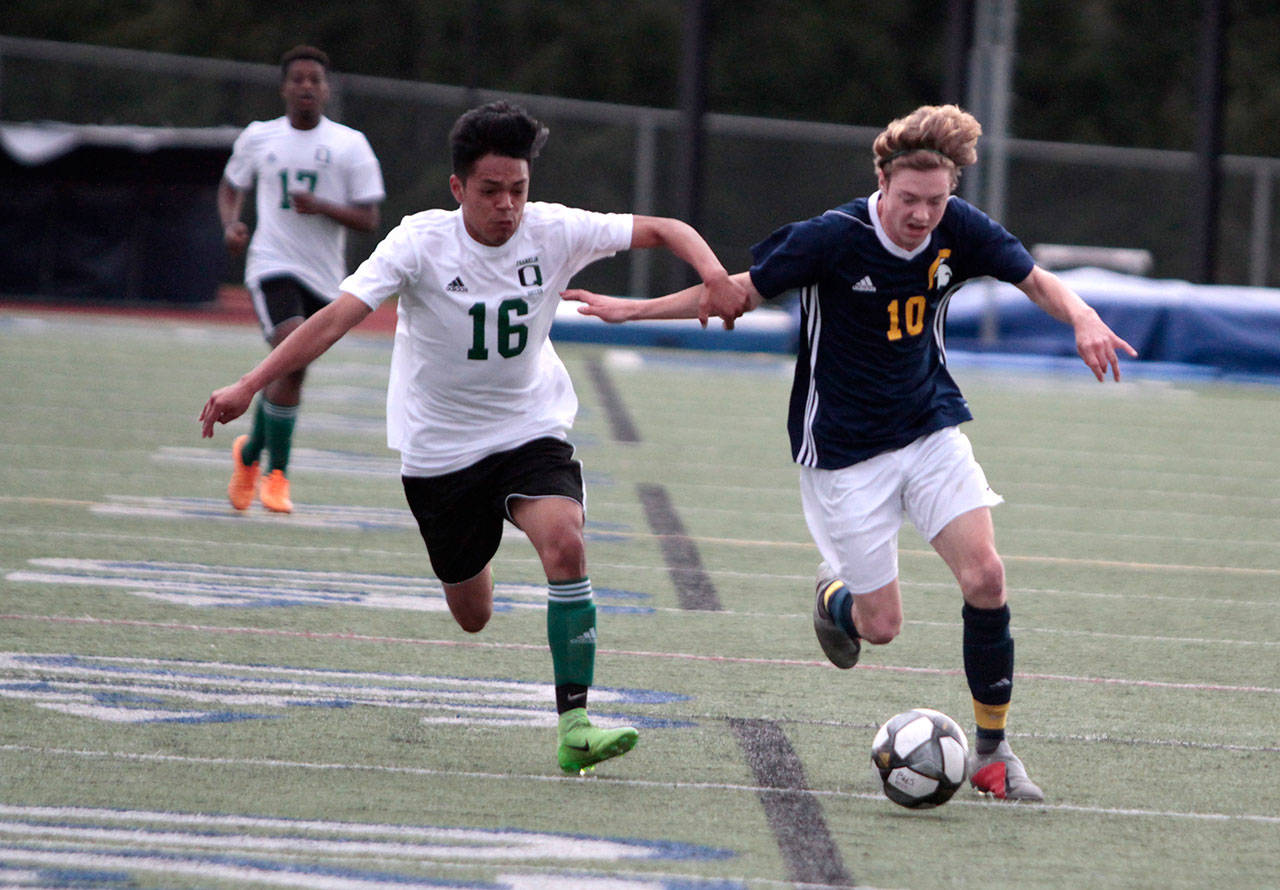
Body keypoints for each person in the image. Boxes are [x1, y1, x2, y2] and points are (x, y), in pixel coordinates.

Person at [565, 104, 1137, 800]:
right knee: (881, 626)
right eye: (909, 200)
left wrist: (1083, 317)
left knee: (986, 577)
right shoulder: (831, 239)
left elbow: (1034, 278)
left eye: (937, 200)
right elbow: (735, 294)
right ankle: (833, 598)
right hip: (843, 453)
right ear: (881, 181)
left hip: (929, 429)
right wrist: (633, 310)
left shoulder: (959, 228)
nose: (923, 215)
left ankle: (994, 752)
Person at [201, 100, 749, 772]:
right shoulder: (418, 243)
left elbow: (664, 229)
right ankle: (477, 558)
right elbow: (333, 319)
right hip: (441, 451)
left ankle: (575, 725)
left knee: (567, 543)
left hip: (530, 428)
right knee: (473, 614)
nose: (508, 206)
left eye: (518, 189)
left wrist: (715, 277)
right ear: (458, 188)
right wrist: (247, 385)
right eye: (491, 191)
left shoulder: (554, 230)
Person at [217, 44, 386, 513]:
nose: (307, 86)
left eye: (315, 79)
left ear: (326, 89)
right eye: (298, 79)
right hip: (271, 264)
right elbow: (232, 186)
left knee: (293, 367)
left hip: (325, 277)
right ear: (284, 87)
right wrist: (231, 224)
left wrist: (324, 206)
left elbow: (369, 217)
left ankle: (250, 454)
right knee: (290, 357)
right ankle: (277, 475)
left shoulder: (351, 144)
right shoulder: (259, 137)